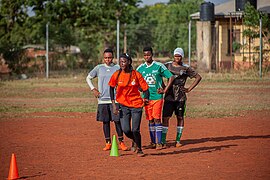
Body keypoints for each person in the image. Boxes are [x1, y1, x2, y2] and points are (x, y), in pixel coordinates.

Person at [86, 48, 128, 151]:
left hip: (115, 100)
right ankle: (108, 142)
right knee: (105, 122)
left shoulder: (118, 68)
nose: (107, 60)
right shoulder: (99, 68)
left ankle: (121, 142)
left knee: (117, 121)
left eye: (109, 58)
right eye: (105, 58)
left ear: (113, 58)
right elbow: (88, 78)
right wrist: (93, 89)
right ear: (103, 58)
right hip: (102, 100)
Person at [159, 47, 202, 148]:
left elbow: (198, 77)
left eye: (179, 56)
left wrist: (189, 89)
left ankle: (178, 140)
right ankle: (163, 141)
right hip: (169, 96)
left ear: (182, 57)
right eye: (175, 56)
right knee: (165, 118)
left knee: (180, 117)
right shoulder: (167, 65)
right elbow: (158, 73)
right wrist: (163, 87)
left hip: (180, 98)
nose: (177, 58)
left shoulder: (186, 68)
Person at [109, 53, 149, 157]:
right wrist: (114, 105)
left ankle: (139, 149)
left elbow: (145, 88)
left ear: (129, 62)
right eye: (121, 62)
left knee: (135, 129)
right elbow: (111, 88)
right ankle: (134, 140)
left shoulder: (136, 74)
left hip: (136, 105)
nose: (122, 63)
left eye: (124, 61)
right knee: (126, 130)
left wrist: (146, 98)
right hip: (123, 106)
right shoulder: (117, 74)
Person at [136, 47, 174, 150]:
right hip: (147, 98)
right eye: (145, 55)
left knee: (157, 118)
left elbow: (171, 77)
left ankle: (159, 142)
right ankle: (153, 142)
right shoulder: (140, 68)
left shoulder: (158, 66)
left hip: (157, 97)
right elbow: (135, 80)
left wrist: (165, 90)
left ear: (152, 55)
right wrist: (140, 88)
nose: (146, 57)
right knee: (150, 120)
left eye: (148, 55)